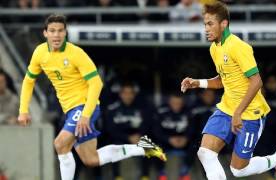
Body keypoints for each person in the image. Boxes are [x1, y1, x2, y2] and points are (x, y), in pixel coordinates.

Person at [17, 14, 166, 180]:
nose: (56, 35)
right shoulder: (39, 52)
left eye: (60, 31)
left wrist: (86, 115)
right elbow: (28, 81)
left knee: (60, 144)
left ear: (65, 32)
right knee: (91, 159)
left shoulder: (76, 53)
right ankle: (143, 148)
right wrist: (23, 110)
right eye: (52, 31)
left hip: (85, 106)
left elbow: (96, 83)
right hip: (70, 111)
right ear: (45, 33)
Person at [180, 1, 276, 179]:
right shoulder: (214, 48)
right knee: (205, 153)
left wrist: (238, 112)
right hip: (227, 108)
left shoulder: (238, 47)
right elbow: (223, 80)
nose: (206, 29)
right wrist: (198, 83)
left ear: (223, 24)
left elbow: (257, 81)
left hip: (250, 113)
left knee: (239, 170)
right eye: (205, 24)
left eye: (210, 24)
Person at [104, 82, 150, 179]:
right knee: (113, 145)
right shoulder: (112, 109)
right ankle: (117, 176)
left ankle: (145, 176)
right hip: (119, 138)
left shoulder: (141, 108)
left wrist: (139, 135)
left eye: (130, 93)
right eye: (125, 93)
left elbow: (147, 126)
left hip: (137, 137)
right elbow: (110, 129)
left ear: (134, 94)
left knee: (148, 144)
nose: (128, 96)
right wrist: (127, 137)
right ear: (120, 94)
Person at [153, 93, 194, 180]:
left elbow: (193, 128)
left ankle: (185, 172)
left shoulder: (188, 111)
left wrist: (186, 138)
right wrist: (168, 139)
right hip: (166, 141)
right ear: (169, 102)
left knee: (196, 145)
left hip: (184, 142)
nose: (176, 105)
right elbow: (156, 131)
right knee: (154, 146)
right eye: (174, 103)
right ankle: (161, 173)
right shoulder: (161, 111)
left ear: (183, 103)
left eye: (179, 103)